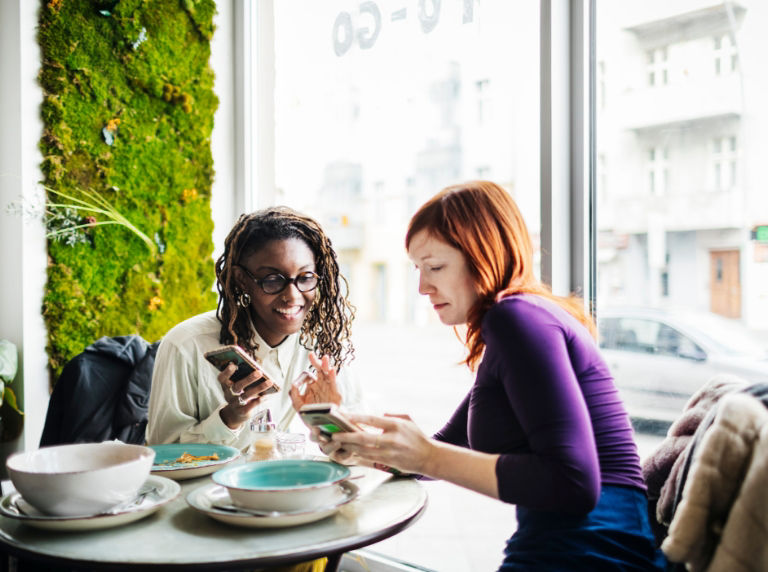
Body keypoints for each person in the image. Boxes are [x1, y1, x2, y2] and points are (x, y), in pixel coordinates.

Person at [309, 181, 666, 571]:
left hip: (589, 553)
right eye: (418, 269)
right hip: (576, 546)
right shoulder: (522, 320)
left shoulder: (516, 320)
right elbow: (443, 447)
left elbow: (574, 484)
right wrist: (361, 446)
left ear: (483, 256)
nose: (422, 287)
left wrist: (427, 455)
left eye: (436, 267)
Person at [147, 206, 362, 452]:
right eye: (273, 280)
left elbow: (358, 451)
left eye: (305, 278)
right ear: (241, 279)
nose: (292, 296)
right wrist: (230, 418)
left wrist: (330, 423)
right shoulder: (186, 346)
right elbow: (162, 455)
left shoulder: (323, 346)